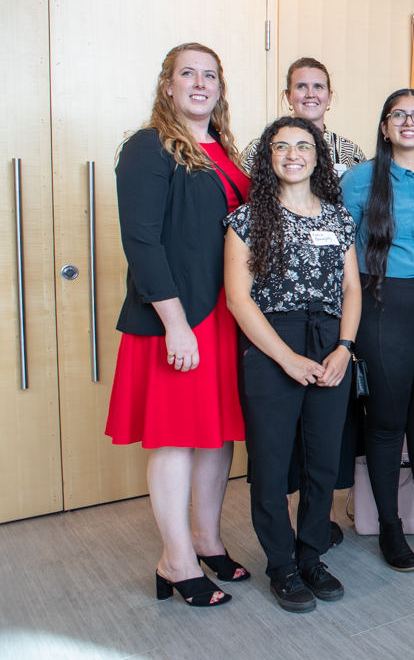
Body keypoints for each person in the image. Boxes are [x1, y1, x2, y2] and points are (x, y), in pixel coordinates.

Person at [107, 43, 249, 607]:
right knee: (175, 439)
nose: (199, 83)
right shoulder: (148, 147)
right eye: (187, 73)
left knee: (216, 435)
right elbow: (140, 240)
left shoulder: (223, 148)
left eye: (209, 75)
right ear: (167, 85)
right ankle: (175, 560)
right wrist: (175, 324)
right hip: (178, 316)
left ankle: (207, 540)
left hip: (225, 314)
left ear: (219, 88)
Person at [224, 117, 361, 612]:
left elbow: (351, 289)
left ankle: (311, 557)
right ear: (268, 158)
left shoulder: (340, 218)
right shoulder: (247, 218)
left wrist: (344, 347)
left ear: (319, 156)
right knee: (272, 462)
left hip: (330, 343)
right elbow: (239, 301)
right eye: (281, 146)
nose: (293, 153)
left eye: (304, 145)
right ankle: (281, 564)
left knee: (323, 461)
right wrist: (285, 358)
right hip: (271, 342)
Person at [342, 89, 414, 572]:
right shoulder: (359, 180)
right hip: (381, 302)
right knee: (387, 422)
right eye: (398, 115)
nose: (408, 122)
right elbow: (343, 255)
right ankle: (390, 525)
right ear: (386, 126)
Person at [239, 57, 366, 176]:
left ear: (329, 97)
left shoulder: (350, 153)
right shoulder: (258, 150)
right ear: (289, 96)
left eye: (318, 87)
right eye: (301, 86)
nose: (310, 94)